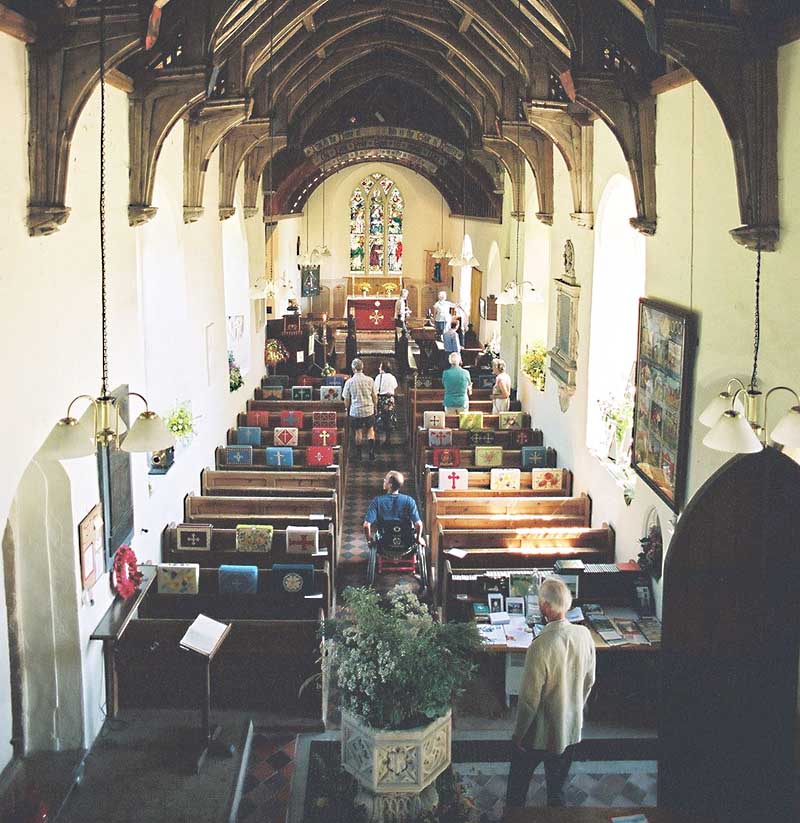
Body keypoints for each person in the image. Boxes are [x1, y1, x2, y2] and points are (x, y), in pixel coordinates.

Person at [505, 577, 596, 809]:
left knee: (517, 790)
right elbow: (589, 680)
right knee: (557, 792)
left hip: (538, 734)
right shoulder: (584, 635)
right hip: (569, 729)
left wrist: (518, 735)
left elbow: (528, 700)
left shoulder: (541, 645)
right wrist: (574, 709)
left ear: (545, 606)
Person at [363, 471, 425, 549]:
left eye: (385, 480)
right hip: (406, 540)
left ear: (390, 485)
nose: (384, 481)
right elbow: (419, 524)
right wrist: (418, 538)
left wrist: (369, 540)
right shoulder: (409, 500)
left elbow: (366, 525)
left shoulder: (377, 501)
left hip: (384, 541)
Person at [342, 358, 377, 460]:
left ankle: (359, 454)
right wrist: (375, 406)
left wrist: (346, 409)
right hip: (368, 409)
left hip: (356, 411)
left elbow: (346, 398)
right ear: (363, 367)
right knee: (370, 430)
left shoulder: (349, 382)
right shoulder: (370, 380)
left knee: (358, 432)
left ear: (353, 369)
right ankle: (371, 451)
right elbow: (374, 396)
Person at [375, 361, 399, 447]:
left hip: (382, 399)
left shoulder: (379, 377)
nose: (379, 368)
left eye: (380, 367)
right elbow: (395, 387)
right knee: (389, 418)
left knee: (380, 418)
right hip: (390, 400)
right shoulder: (392, 377)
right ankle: (388, 439)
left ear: (383, 368)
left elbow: (376, 388)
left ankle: (377, 439)